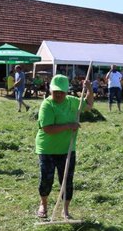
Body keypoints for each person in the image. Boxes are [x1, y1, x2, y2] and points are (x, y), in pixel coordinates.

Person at [35, 74, 94, 219]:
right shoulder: (47, 105)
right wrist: (69, 125)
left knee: (67, 180)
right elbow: (47, 128)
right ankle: (43, 204)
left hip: (67, 148)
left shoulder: (72, 102)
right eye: (56, 91)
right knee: (46, 179)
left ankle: (65, 210)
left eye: (62, 91)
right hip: (47, 149)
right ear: (50, 91)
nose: (59, 94)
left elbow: (89, 106)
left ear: (67, 91)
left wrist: (89, 90)